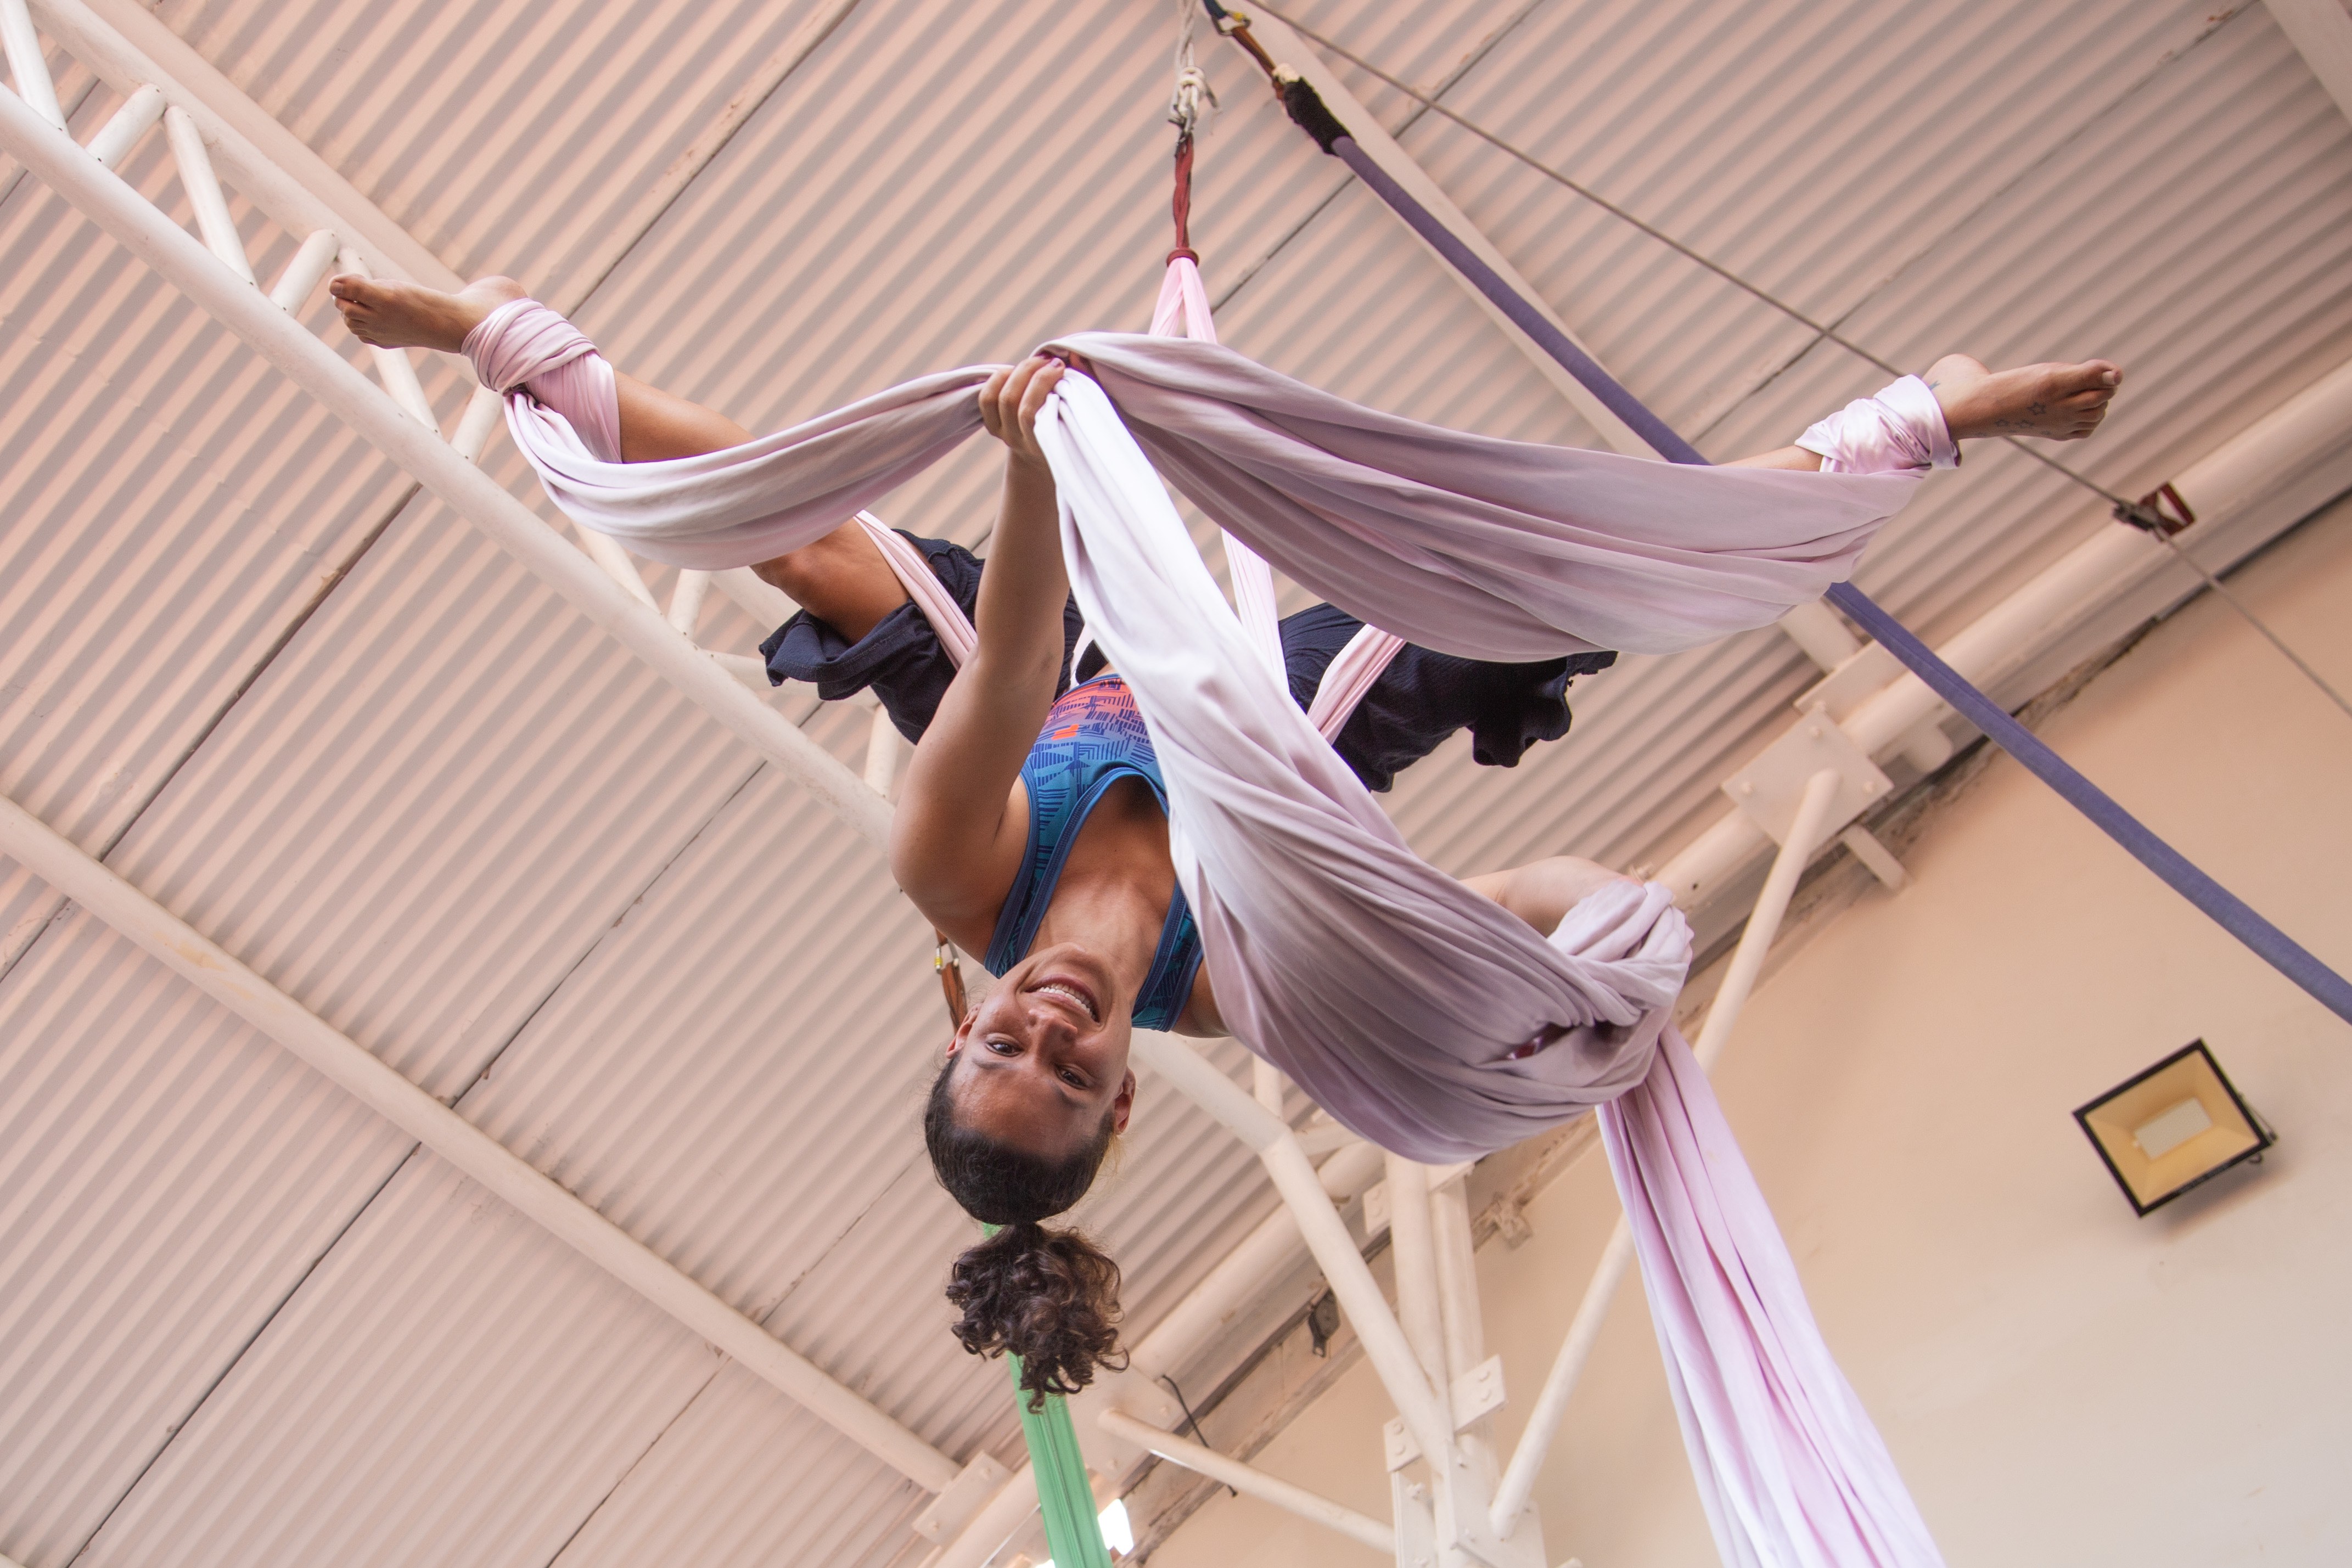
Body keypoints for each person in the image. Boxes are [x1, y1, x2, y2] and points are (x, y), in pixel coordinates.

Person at [331, 272, 2121, 1403]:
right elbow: (1499, 905)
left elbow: (1013, 653)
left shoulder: (949, 881)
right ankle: (1917, 424)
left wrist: (1036, 465)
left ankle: (518, 345)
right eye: (1067, 1057)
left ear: (963, 1022)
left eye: (997, 1041)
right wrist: (1614, 954)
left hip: (1048, 673)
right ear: (1118, 1097)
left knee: (819, 552)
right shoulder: (1253, 983)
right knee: (1561, 593)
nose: (1039, 1014)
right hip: (1281, 731)